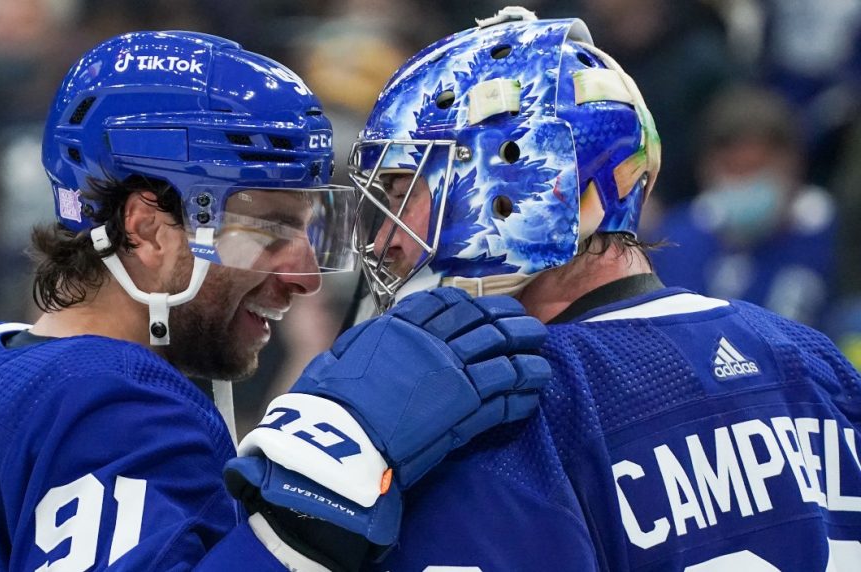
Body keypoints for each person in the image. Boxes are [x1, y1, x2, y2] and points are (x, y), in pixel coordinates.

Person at [0, 30, 549, 571]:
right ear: (146, 228)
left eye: (310, 230)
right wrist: (316, 497)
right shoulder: (116, 406)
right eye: (269, 230)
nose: (302, 275)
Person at [346, 7, 861, 570]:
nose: (384, 240)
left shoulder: (508, 409)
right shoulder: (813, 363)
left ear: (517, 185)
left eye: (401, 191)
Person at [650, 83, 838, 329]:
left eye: (756, 169)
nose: (745, 184)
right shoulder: (678, 239)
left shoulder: (833, 232)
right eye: (733, 170)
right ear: (705, 169)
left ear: (794, 164)